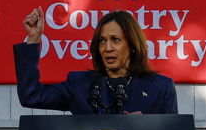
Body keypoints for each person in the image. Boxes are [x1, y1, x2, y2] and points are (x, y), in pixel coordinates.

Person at [15, 9, 178, 114]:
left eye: (115, 40)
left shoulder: (161, 88)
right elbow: (31, 96)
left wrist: (147, 127)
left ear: (133, 44)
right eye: (102, 40)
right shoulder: (79, 85)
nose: (107, 47)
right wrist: (34, 39)